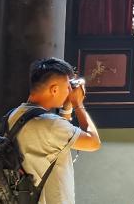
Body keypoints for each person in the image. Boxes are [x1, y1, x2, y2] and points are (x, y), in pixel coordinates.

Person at [8, 57, 102, 204]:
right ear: (54, 89)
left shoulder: (13, 116)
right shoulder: (50, 124)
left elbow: (55, 141)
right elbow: (93, 142)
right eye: (68, 86)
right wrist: (78, 104)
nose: (70, 91)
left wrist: (67, 107)